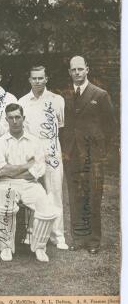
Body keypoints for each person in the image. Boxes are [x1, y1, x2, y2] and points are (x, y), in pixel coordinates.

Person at [61, 56, 116, 254]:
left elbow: (111, 127)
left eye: (80, 69)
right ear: (69, 72)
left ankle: (93, 241)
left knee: (93, 197)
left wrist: (101, 152)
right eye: (73, 69)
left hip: (93, 157)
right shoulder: (66, 96)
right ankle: (78, 238)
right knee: (76, 197)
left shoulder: (100, 95)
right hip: (72, 155)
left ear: (87, 70)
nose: (77, 72)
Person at [0, 103, 58, 262]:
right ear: (6, 120)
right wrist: (25, 166)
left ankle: (39, 247)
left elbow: (39, 169)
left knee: (46, 207)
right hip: (5, 183)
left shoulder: (35, 141)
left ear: (23, 118)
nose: (14, 121)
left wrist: (13, 171)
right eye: (11, 118)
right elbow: (0, 171)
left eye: (18, 117)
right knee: (4, 205)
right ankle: (6, 247)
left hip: (29, 183)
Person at [18, 65, 68, 250]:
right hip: (31, 152)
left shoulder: (57, 100)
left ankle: (58, 235)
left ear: (46, 79)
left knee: (54, 192)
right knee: (32, 191)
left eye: (41, 78)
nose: (37, 81)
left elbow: (60, 127)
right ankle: (31, 233)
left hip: (52, 150)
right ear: (29, 80)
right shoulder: (22, 101)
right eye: (34, 78)